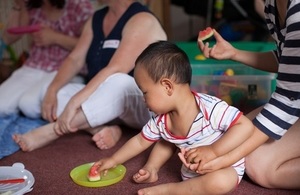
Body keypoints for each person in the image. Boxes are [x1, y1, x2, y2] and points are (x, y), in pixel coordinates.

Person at [92, 41, 255, 195]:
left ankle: (171, 190)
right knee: (166, 139)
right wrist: (113, 160)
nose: (143, 99)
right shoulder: (161, 120)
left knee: (220, 182)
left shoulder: (209, 108)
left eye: (145, 92)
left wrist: (213, 151)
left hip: (225, 167)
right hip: (192, 172)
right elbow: (140, 141)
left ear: (167, 86)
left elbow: (244, 126)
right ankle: (154, 171)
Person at [13, 0, 167, 151]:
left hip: (145, 105)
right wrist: (52, 90)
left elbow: (116, 68)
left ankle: (53, 130)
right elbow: (75, 59)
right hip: (105, 104)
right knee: (50, 94)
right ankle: (102, 128)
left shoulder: (142, 19)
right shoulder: (96, 18)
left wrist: (74, 102)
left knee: (119, 81)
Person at [192, 0, 300, 189]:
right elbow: (287, 60)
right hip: (294, 98)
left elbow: (287, 99)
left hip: (292, 99)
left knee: (259, 166)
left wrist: (223, 157)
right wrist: (233, 53)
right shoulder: (271, 5)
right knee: (232, 138)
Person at [0, 0, 93, 119]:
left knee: (28, 105)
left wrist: (55, 38)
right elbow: (8, 38)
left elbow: (90, 45)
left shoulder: (79, 6)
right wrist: (18, 6)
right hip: (33, 66)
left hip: (65, 69)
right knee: (2, 107)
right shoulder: (30, 5)